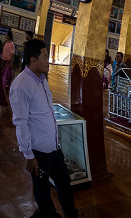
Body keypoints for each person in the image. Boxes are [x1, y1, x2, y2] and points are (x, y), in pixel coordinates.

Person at [9, 39, 84, 218]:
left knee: (63, 182)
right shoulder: (21, 86)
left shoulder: (41, 79)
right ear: (33, 60)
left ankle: (70, 213)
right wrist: (29, 156)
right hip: (38, 150)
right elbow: (21, 122)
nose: (48, 61)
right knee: (42, 191)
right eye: (44, 57)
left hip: (52, 146)